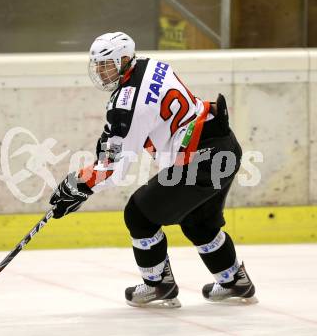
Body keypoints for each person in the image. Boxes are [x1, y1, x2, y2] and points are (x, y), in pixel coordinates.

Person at [49, 32, 257, 308]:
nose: (101, 71)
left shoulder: (128, 104)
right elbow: (124, 128)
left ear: (124, 60)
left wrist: (79, 185)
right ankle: (235, 281)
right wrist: (110, 139)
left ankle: (158, 284)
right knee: (199, 222)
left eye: (106, 64)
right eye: (97, 65)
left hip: (200, 160)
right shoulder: (149, 64)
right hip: (224, 145)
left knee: (139, 215)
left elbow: (114, 169)